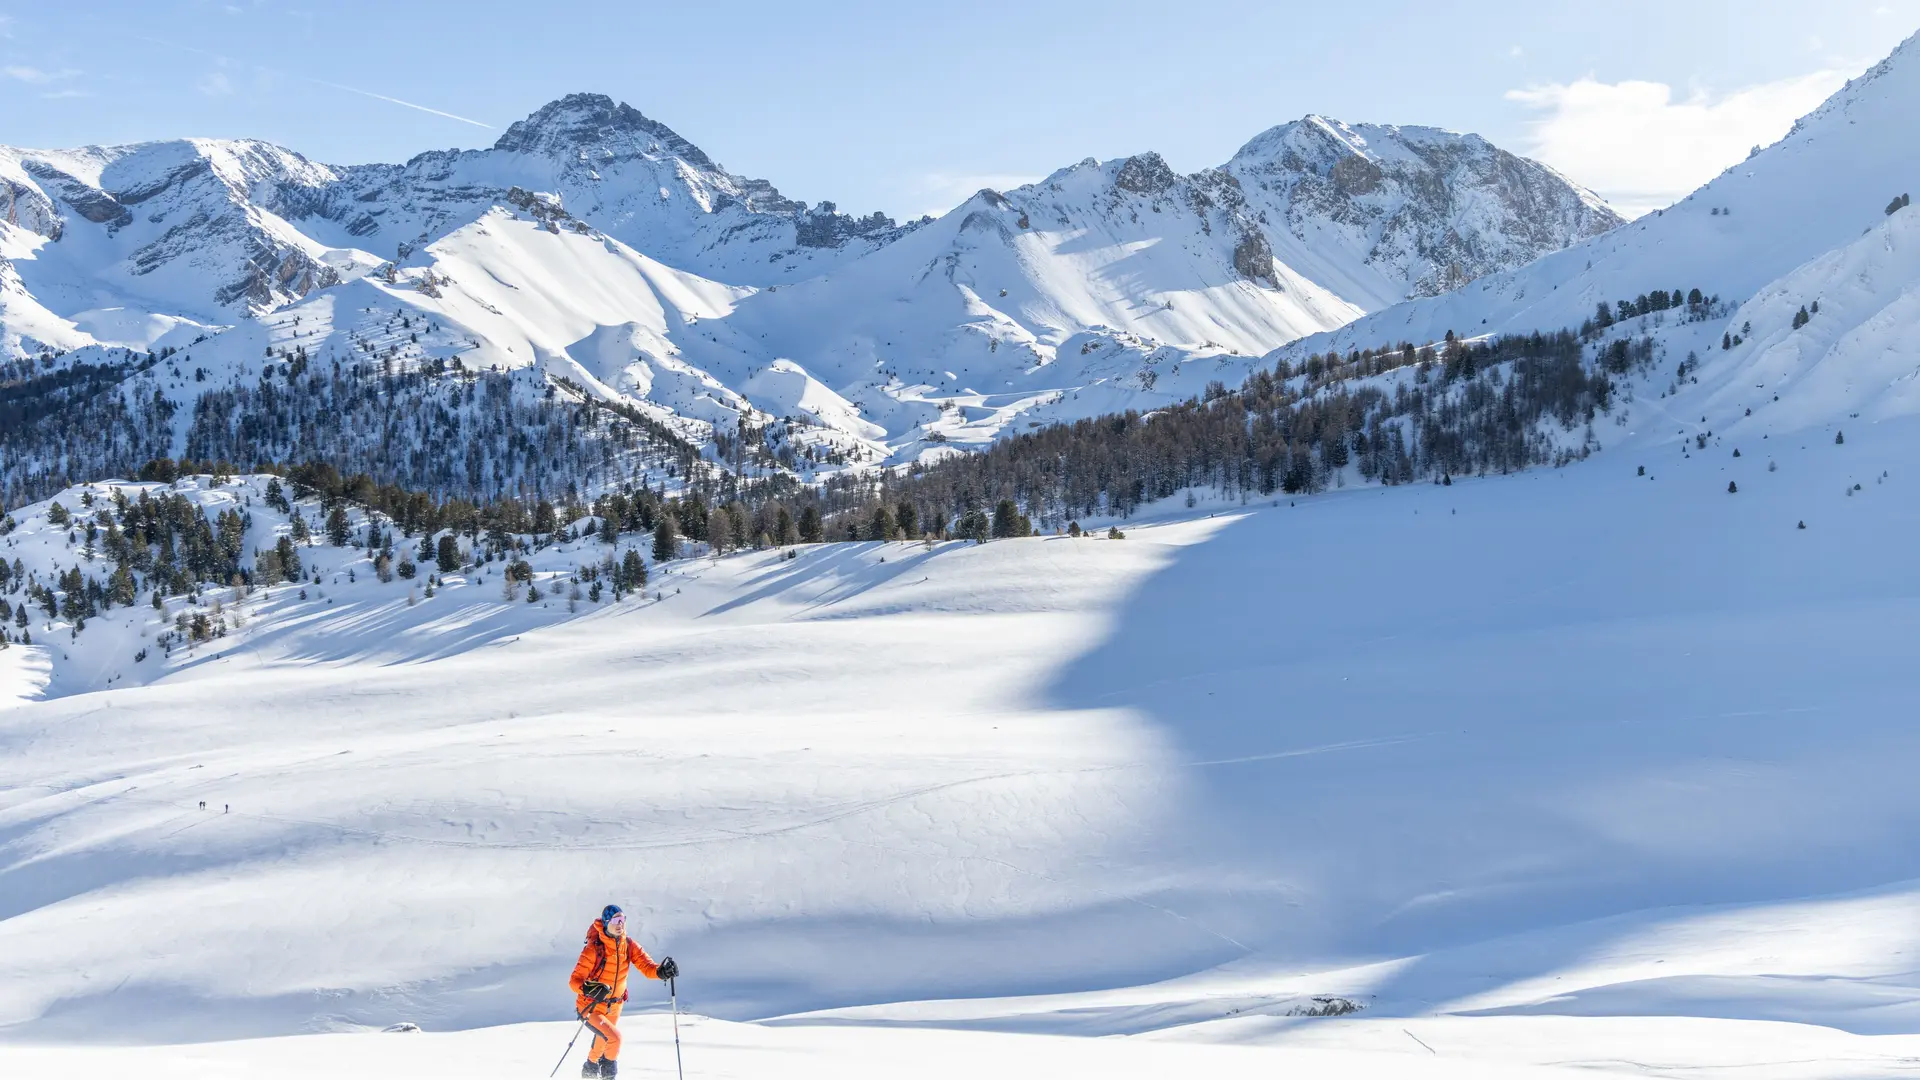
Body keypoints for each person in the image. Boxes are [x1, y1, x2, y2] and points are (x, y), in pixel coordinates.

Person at [568, 904, 678, 1078]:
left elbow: (647, 967)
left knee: (604, 1041)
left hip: (614, 1006)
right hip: (591, 1007)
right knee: (614, 1039)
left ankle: (589, 1069)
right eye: (615, 920)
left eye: (622, 919)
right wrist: (589, 989)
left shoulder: (628, 945)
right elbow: (574, 981)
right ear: (606, 923)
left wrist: (661, 971)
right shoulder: (594, 949)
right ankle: (608, 1075)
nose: (620, 924)